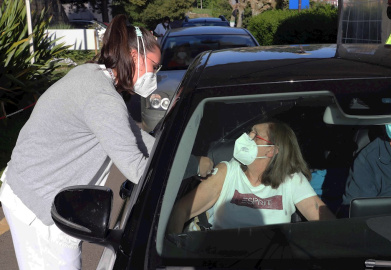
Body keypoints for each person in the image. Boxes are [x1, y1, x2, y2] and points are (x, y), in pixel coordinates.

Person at [0, 14, 211, 269]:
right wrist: (188, 172)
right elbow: (137, 169)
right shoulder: (101, 97)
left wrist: (189, 160)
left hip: (33, 189)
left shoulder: (93, 76)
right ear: (134, 56)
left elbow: (133, 138)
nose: (156, 74)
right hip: (38, 205)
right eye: (155, 66)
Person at [168, 120, 335, 234]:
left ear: (271, 150)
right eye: (249, 132)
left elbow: (324, 220)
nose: (246, 137)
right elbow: (181, 210)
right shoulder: (228, 172)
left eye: (255, 135)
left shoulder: (291, 179)